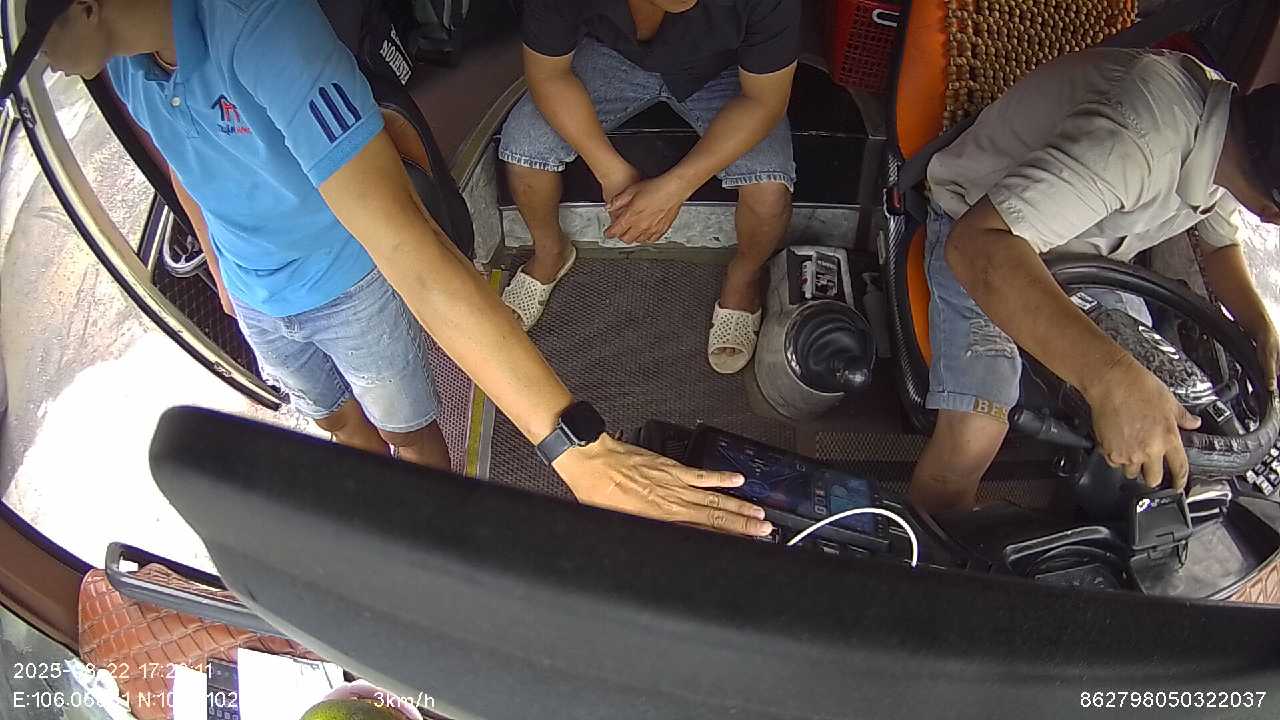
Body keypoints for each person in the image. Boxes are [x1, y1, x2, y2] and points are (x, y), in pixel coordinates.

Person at [2, 0, 774, 537]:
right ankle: (378, 519)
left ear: (86, 7)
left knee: (411, 433)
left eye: (35, 50)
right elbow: (182, 161)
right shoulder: (125, 63)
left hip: (348, 285)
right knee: (338, 423)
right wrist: (218, 262)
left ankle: (435, 530)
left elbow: (411, 248)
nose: (45, 71)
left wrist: (579, 449)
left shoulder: (267, 36)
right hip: (257, 292)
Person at [908, 47, 1280, 513]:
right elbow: (978, 247)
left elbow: (1220, 244)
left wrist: (1258, 324)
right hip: (981, 228)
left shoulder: (1236, 140)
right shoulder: (1141, 139)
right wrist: (1111, 380)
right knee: (974, 433)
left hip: (1082, 255)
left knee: (1169, 399)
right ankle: (925, 540)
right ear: (1272, 213)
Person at [498, 0, 799, 375]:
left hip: (725, 69)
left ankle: (744, 279)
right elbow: (548, 76)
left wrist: (676, 186)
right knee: (524, 150)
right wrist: (609, 170)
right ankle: (550, 253)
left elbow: (764, 101)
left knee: (769, 189)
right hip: (611, 54)